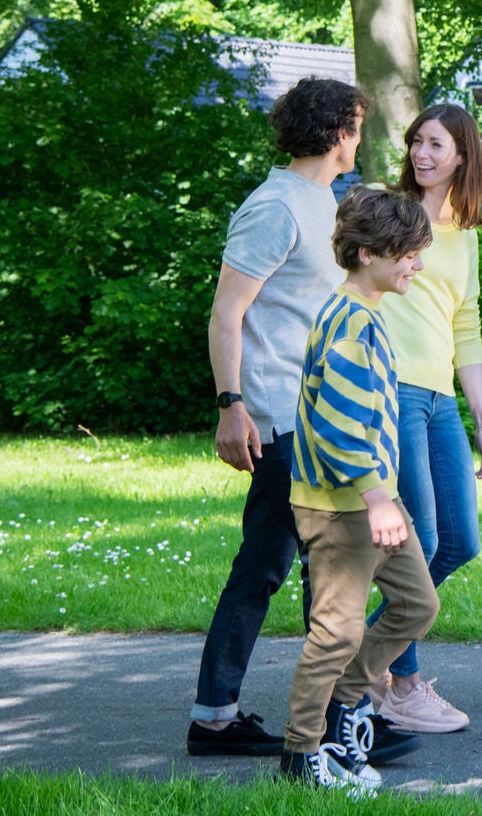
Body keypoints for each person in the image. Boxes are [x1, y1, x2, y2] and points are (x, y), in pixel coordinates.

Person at [188, 76, 363, 757]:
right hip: (280, 418)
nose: (360, 137)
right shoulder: (276, 207)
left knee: (283, 564)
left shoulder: (325, 203)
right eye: (355, 124)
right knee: (294, 567)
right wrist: (232, 406)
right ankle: (323, 725)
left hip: (319, 418)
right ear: (337, 131)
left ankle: (223, 715)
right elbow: (227, 312)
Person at [281, 187, 441, 792]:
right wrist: (377, 498)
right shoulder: (350, 322)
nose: (416, 265)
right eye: (408, 254)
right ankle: (303, 755)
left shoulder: (364, 313)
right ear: (370, 253)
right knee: (336, 632)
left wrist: (382, 496)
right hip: (343, 506)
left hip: (373, 498)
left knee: (418, 605)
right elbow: (339, 426)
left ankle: (347, 704)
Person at [367, 103, 482, 732]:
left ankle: (365, 655)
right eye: (417, 142)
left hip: (441, 399)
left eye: (436, 145)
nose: (422, 154)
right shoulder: (389, 213)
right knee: (416, 541)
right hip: (391, 389)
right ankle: (402, 683)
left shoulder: (466, 236)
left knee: (461, 541)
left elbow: (464, 326)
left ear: (462, 157)